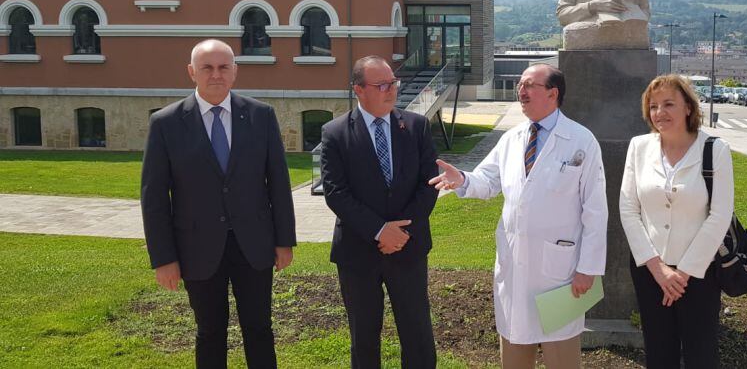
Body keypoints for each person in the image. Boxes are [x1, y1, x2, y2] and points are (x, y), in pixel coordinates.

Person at [429, 63, 607, 369]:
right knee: (514, 351)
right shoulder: (512, 139)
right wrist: (463, 180)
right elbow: (488, 180)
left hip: (561, 270)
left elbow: (595, 210)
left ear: (553, 93)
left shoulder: (581, 140)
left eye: (529, 85)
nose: (520, 91)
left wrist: (588, 268)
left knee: (561, 356)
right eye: (519, 86)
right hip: (514, 266)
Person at [141, 39, 296, 369]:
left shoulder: (260, 116)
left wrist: (284, 241)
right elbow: (154, 197)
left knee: (259, 328)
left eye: (224, 67)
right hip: (196, 247)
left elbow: (278, 184)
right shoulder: (166, 123)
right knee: (209, 331)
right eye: (207, 68)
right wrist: (163, 258)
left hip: (253, 244)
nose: (216, 75)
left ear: (235, 72)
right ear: (191, 73)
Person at [319, 55, 438, 368]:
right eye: (382, 84)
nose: (391, 89)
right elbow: (336, 193)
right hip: (358, 252)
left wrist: (401, 233)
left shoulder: (416, 126)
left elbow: (429, 185)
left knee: (418, 335)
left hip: (408, 248)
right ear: (359, 89)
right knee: (364, 338)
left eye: (393, 82)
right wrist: (379, 230)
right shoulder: (335, 133)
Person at [619, 74, 734, 368]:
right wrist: (657, 269)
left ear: (687, 107)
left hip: (698, 273)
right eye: (653, 106)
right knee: (658, 353)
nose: (660, 112)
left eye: (669, 103)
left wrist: (682, 274)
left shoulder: (715, 150)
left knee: (701, 354)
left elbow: (719, 215)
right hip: (650, 270)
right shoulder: (639, 147)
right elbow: (629, 209)